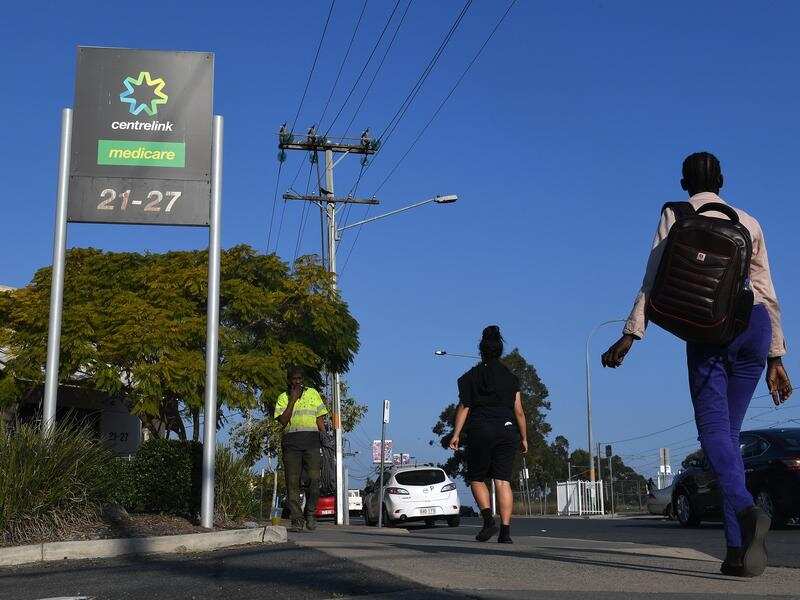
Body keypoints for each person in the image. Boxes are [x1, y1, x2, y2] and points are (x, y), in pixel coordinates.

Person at [601, 152, 792, 577]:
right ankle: (736, 552)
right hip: (756, 326)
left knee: (713, 436)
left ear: (684, 180)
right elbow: (767, 288)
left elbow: (654, 275)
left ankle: (746, 512)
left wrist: (631, 334)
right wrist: (776, 356)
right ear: (722, 180)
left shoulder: (676, 213)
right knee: (729, 438)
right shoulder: (749, 221)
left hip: (711, 331)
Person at [449, 325, 528, 543]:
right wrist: (523, 437)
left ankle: (487, 520)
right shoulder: (511, 378)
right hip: (507, 429)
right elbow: (519, 411)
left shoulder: (471, 376)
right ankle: (505, 532)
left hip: (481, 430)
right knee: (502, 481)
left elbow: (464, 406)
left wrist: (456, 434)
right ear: (500, 350)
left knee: (476, 477)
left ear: (481, 350)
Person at [275, 366, 329, 532]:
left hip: (312, 442)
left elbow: (320, 419)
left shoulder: (313, 393)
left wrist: (325, 437)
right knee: (292, 483)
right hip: (291, 443)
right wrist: (293, 399)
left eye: (299, 379)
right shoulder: (283, 397)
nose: (297, 382)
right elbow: (283, 421)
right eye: (294, 379)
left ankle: (310, 514)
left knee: (314, 480)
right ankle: (297, 520)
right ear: (289, 381)